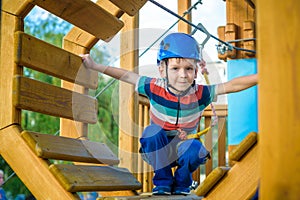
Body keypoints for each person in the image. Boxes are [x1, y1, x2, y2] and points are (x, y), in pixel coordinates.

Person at [81, 32, 257, 195]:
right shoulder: (153, 86)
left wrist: (261, 76)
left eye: (189, 68)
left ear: (196, 71)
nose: (183, 75)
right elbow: (126, 75)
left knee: (195, 148)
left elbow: (233, 85)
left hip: (184, 148)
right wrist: (95, 66)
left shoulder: (201, 93)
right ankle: (163, 183)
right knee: (152, 132)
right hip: (159, 150)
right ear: (162, 70)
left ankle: (182, 184)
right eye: (175, 69)